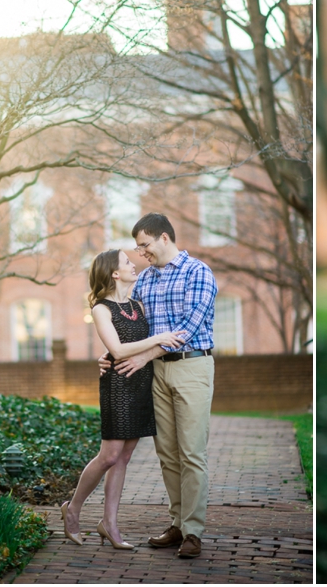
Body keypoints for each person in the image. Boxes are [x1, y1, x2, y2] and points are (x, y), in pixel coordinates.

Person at [102, 212, 217, 559]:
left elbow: (188, 328)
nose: (141, 253)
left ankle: (194, 531)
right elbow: (131, 326)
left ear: (164, 238)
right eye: (138, 248)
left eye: (144, 245)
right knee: (167, 453)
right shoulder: (146, 280)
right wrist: (109, 356)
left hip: (192, 366)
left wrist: (143, 356)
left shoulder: (199, 273)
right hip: (156, 373)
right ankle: (178, 524)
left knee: (192, 452)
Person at [61, 249, 186, 549]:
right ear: (115, 273)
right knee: (109, 456)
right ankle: (73, 509)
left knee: (125, 457)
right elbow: (117, 350)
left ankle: (110, 524)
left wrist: (147, 343)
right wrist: (157, 338)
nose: (134, 264)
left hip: (143, 382)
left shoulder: (137, 304)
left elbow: (126, 346)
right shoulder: (101, 309)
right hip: (118, 385)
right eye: (127, 262)